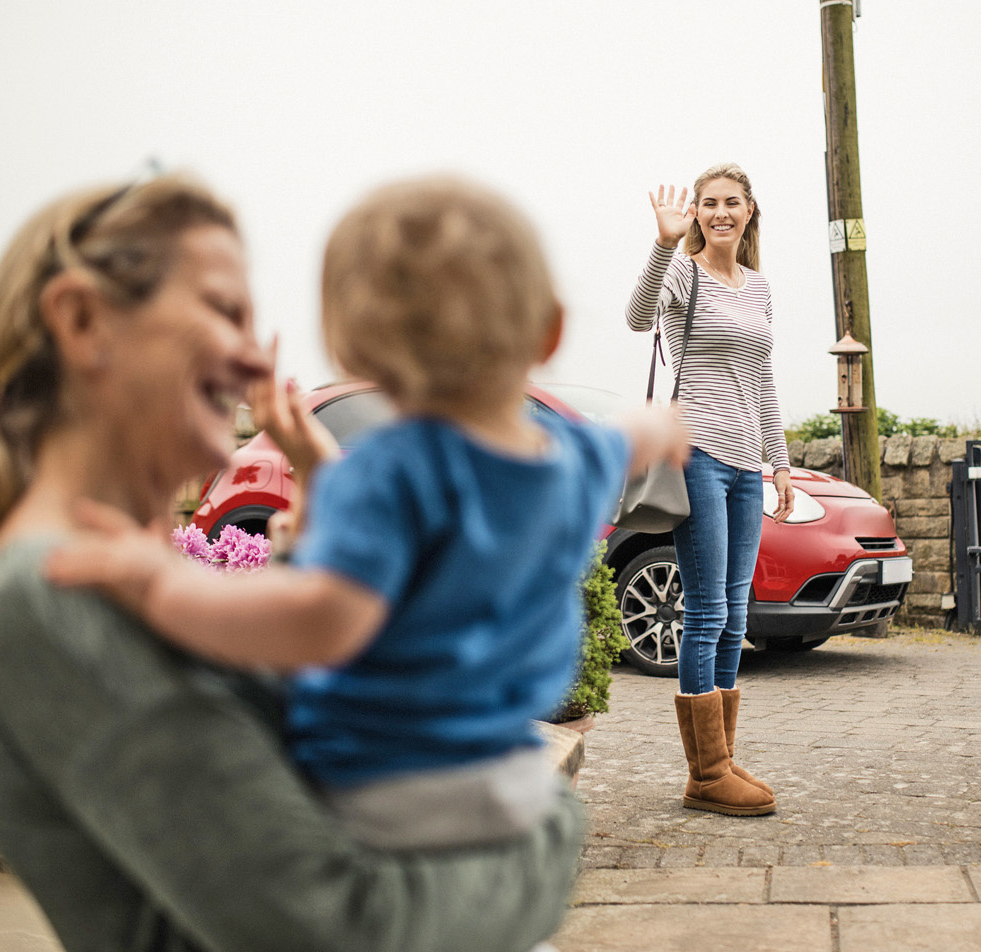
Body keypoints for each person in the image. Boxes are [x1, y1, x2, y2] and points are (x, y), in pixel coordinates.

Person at [0, 174, 588, 952]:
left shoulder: (103, 577)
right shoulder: (43, 599)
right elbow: (338, 928)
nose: (254, 359)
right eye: (224, 312)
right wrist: (551, 832)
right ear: (80, 319)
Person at [45, 175, 689, 855]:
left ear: (346, 347)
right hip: (508, 781)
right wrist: (660, 426)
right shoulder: (573, 457)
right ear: (550, 331)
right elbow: (631, 437)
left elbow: (321, 619)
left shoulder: (384, 473)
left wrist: (160, 585)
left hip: (383, 785)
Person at [624, 162, 794, 818]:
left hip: (746, 467)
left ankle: (719, 757)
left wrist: (778, 462)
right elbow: (639, 319)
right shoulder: (683, 272)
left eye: (732, 202)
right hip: (696, 454)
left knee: (735, 615)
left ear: (750, 211)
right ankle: (706, 773)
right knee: (707, 614)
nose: (720, 212)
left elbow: (765, 379)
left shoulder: (759, 288)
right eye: (708, 203)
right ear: (697, 212)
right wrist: (665, 242)